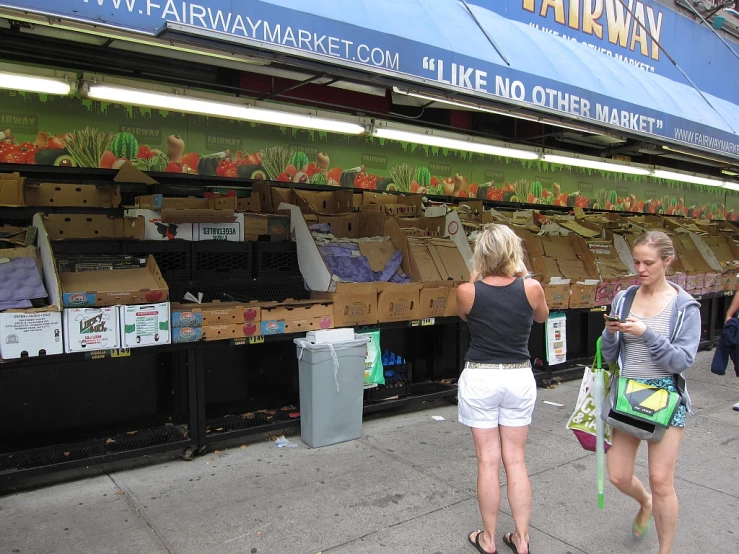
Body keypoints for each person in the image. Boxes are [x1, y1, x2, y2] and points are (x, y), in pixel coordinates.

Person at [601, 231, 700, 554]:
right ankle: (643, 502)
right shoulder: (624, 298)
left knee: (661, 481)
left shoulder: (685, 307)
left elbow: (682, 360)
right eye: (637, 262)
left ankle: (665, 549)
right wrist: (611, 332)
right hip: (628, 391)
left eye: (649, 263)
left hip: (666, 398)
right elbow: (608, 355)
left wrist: (646, 334)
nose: (640, 269)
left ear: (667, 262)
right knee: (617, 475)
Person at [456, 224, 549, 554]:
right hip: (518, 376)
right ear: (514, 252)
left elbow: (465, 316)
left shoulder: (468, 290)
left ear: (480, 254)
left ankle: (489, 538)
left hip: (481, 377)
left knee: (488, 462)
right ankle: (522, 540)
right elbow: (541, 317)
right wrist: (524, 275)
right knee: (516, 461)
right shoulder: (532, 287)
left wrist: (474, 277)